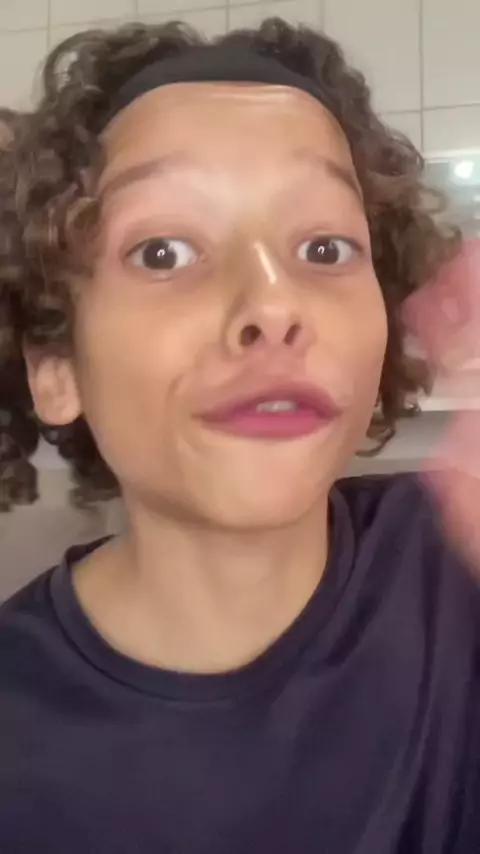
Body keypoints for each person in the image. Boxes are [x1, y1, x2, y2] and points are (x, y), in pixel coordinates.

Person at [0, 16, 479, 853]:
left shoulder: (462, 558)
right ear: (56, 366)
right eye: (161, 252)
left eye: (324, 247)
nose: (274, 305)